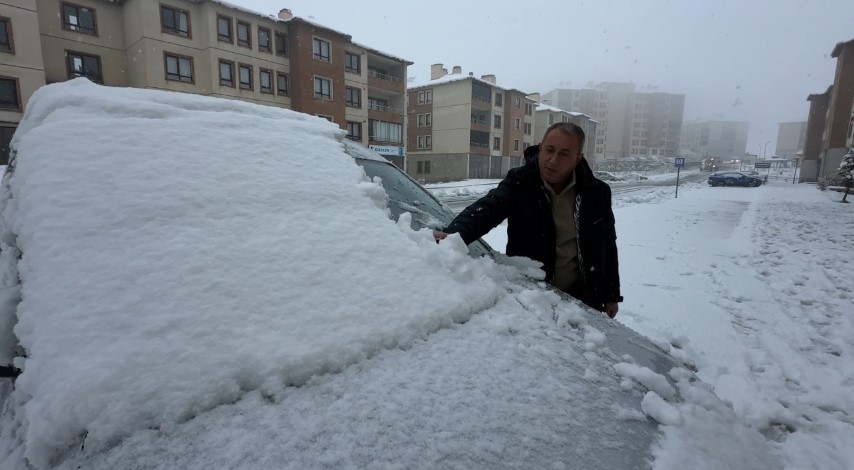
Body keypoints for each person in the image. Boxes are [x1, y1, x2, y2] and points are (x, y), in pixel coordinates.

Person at [434, 122, 623, 318]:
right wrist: (454, 235)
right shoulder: (521, 182)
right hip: (533, 297)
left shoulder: (596, 193)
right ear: (541, 148)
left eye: (564, 154)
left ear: (577, 159)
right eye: (549, 150)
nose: (553, 160)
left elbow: (608, 244)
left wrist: (611, 295)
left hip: (582, 298)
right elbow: (488, 208)